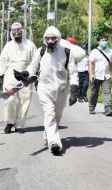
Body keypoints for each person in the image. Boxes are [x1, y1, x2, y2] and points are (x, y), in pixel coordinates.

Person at [23, 26, 81, 154]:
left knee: (57, 115)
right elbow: (32, 68)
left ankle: (48, 135)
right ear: (44, 39)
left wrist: (74, 90)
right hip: (44, 88)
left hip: (62, 89)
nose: (50, 40)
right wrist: (25, 73)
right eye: (47, 38)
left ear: (58, 39)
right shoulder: (41, 51)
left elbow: (73, 72)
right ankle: (54, 142)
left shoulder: (66, 52)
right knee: (50, 113)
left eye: (53, 38)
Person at [0, 22, 37, 134]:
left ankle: (19, 125)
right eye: (14, 30)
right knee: (10, 100)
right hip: (11, 76)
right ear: (11, 32)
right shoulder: (8, 46)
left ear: (22, 31)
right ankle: (9, 123)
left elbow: (35, 62)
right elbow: (3, 62)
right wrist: (1, 77)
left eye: (18, 30)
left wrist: (30, 74)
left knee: (24, 101)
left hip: (25, 76)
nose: (16, 32)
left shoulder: (30, 45)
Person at [88, 35, 112, 116]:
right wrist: (91, 74)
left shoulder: (111, 51)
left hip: (106, 76)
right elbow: (90, 63)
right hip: (96, 76)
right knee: (94, 93)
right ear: (98, 42)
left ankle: (108, 109)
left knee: (107, 92)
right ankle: (91, 107)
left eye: (106, 40)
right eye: (102, 40)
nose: (104, 42)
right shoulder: (94, 52)